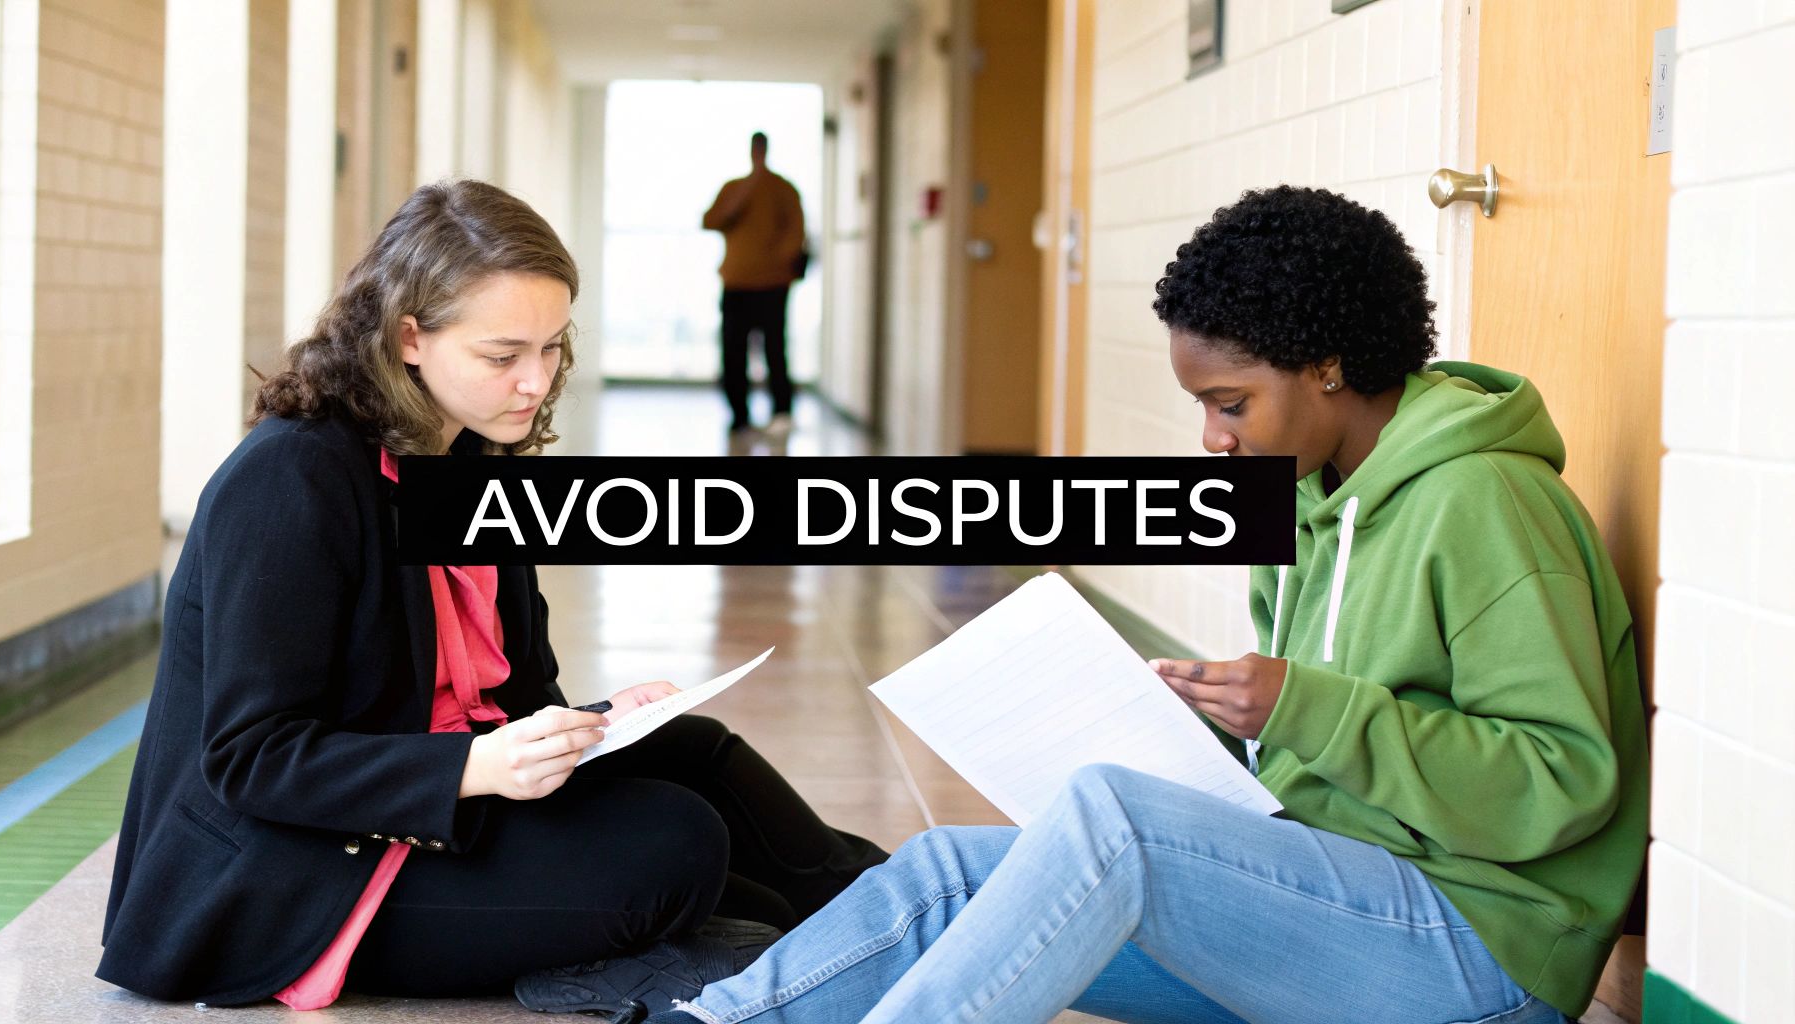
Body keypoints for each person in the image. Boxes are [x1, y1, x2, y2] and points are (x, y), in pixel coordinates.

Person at [642, 185, 1649, 1024]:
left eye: (1229, 404)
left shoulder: (1486, 503)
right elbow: (1317, 769)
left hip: (1478, 960)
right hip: (1334, 905)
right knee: (952, 869)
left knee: (1109, 818)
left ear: (1328, 365)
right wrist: (1216, 741)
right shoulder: (1301, 502)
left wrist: (1304, 706)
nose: (1212, 439)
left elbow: (1563, 781)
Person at [96, 180, 884, 1011]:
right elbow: (253, 760)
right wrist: (480, 762)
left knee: (694, 753)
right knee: (677, 847)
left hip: (422, 807)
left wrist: (598, 723)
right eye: (503, 356)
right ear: (409, 337)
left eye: (551, 348)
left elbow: (509, 693)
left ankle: (898, 900)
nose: (536, 382)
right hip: (292, 871)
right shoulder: (293, 479)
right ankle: (746, 937)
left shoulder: (471, 461)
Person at [702, 131, 805, 436]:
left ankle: (782, 412)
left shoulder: (783, 190)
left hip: (773, 284)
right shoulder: (734, 188)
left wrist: (779, 265)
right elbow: (711, 220)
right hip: (736, 282)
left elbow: (796, 233)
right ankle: (739, 415)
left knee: (775, 350)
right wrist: (748, 187)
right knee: (733, 351)